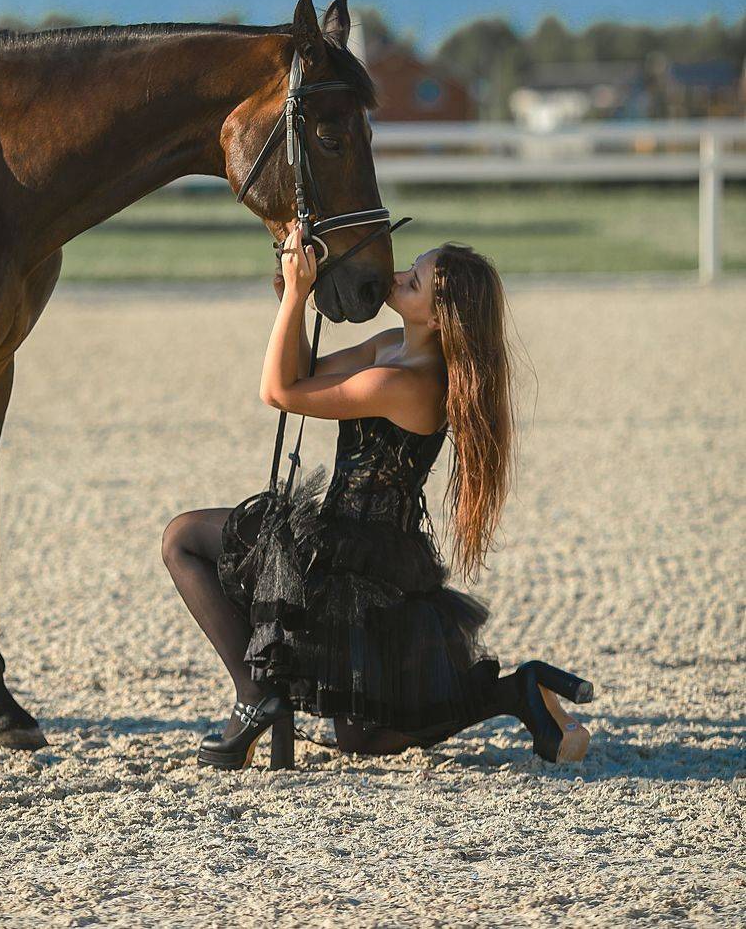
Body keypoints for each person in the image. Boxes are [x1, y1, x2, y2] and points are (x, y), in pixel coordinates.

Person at [162, 223, 594, 770]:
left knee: (183, 540)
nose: (395, 278)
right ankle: (517, 692)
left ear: (438, 317)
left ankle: (255, 696)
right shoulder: (391, 345)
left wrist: (297, 296)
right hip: (349, 541)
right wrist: (290, 303)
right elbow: (305, 372)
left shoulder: (409, 383)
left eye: (412, 282)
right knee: (363, 737)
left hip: (363, 562)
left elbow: (279, 392)